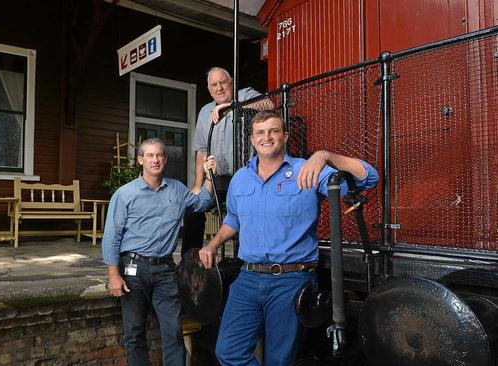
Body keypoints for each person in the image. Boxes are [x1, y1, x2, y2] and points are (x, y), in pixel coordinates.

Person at [198, 111, 379, 365]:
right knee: (228, 351)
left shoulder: (307, 170)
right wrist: (213, 244)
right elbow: (234, 220)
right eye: (260, 132)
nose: (266, 137)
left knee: (279, 360)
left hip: (290, 279)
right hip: (247, 279)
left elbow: (369, 178)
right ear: (252, 139)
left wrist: (325, 156)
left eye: (273, 131)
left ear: (285, 136)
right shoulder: (241, 178)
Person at [102, 138, 217, 366]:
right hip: (133, 269)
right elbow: (111, 236)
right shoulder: (125, 194)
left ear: (165, 159)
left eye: (159, 155)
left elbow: (202, 204)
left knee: (173, 331)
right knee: (135, 333)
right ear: (141, 160)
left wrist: (208, 176)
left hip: (165, 270)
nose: (155, 160)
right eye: (150, 156)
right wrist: (113, 274)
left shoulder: (177, 189)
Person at [181, 67, 269, 255]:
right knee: (192, 208)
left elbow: (268, 104)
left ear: (232, 83)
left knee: (246, 215)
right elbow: (201, 151)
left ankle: (245, 260)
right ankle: (191, 261)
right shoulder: (205, 112)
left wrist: (231, 107)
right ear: (209, 88)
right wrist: (198, 185)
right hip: (217, 179)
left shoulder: (245, 94)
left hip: (246, 177)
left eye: (223, 83)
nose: (219, 88)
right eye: (214, 85)